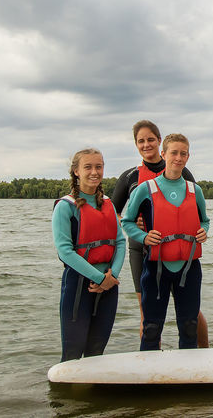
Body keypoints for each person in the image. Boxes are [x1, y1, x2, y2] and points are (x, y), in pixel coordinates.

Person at [112, 120, 209, 348]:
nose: (146, 144)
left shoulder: (191, 182)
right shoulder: (133, 179)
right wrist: (141, 233)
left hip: (186, 260)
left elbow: (200, 217)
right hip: (148, 254)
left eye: (150, 139)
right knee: (150, 320)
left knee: (190, 319)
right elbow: (118, 216)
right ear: (165, 153)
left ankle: (201, 358)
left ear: (158, 143)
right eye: (141, 141)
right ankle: (150, 367)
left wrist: (203, 231)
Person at [52, 148, 126, 361]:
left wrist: (111, 277)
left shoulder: (109, 204)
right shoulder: (65, 207)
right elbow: (65, 252)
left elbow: (120, 242)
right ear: (76, 171)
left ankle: (92, 392)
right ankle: (63, 395)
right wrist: (100, 279)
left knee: (96, 354)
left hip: (109, 285)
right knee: (72, 355)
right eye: (88, 167)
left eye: (99, 166)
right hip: (78, 286)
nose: (94, 172)